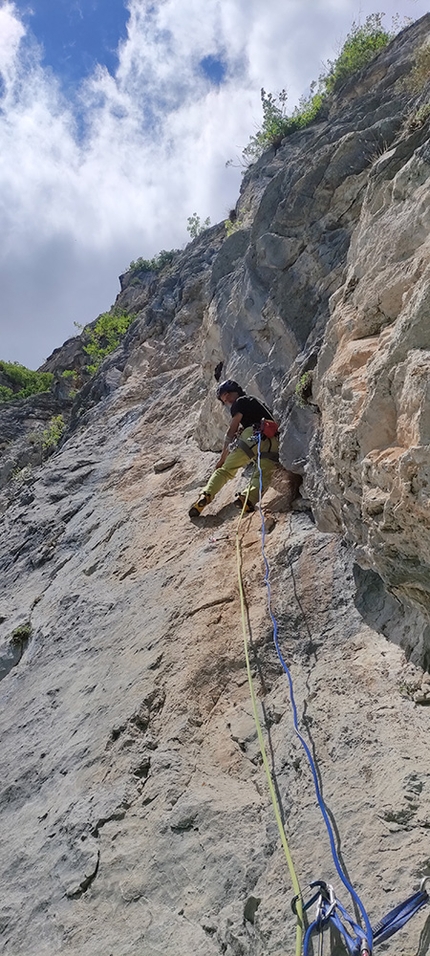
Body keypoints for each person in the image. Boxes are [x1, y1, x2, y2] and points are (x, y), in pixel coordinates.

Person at [189, 380, 279, 517]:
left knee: (225, 470)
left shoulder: (240, 402)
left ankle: (206, 495)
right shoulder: (257, 403)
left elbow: (232, 431)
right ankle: (247, 499)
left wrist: (222, 458)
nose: (226, 402)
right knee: (262, 474)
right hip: (272, 439)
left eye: (225, 398)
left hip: (253, 435)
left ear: (229, 393)